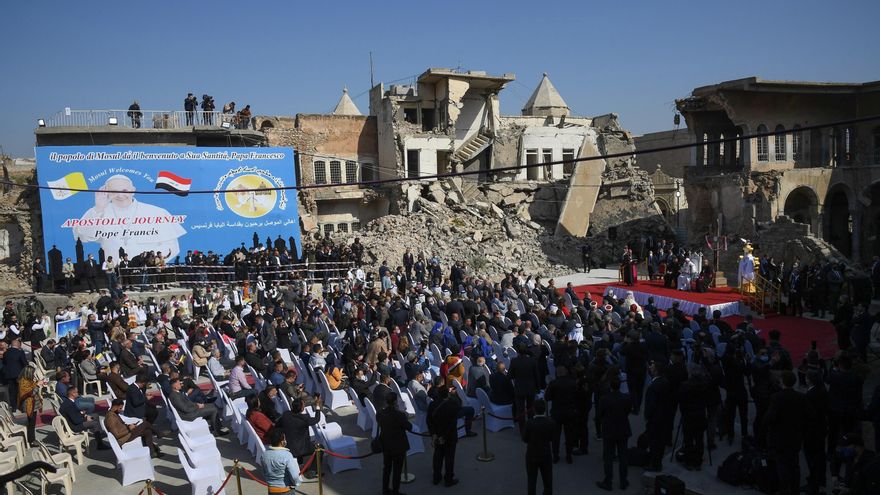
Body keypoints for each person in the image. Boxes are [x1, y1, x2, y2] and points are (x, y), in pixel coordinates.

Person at [72, 174, 186, 260]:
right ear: (106, 192)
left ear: (133, 190)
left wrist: (147, 261)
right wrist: (98, 209)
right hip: (115, 269)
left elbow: (172, 246)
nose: (120, 195)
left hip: (149, 269)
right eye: (114, 191)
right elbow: (83, 237)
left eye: (125, 190)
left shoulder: (157, 212)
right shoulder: (98, 212)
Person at [596, 376, 631, 491]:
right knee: (623, 456)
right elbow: (627, 411)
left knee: (608, 457)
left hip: (609, 430)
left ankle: (608, 481)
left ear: (610, 386)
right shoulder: (626, 398)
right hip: (622, 429)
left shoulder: (604, 399)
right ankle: (623, 481)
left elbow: (600, 414)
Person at [376, 393, 413, 495]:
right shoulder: (399, 415)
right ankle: (395, 492)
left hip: (386, 445)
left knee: (387, 468)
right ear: (395, 402)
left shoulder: (380, 414)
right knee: (397, 470)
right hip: (398, 446)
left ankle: (385, 490)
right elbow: (409, 427)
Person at [276, 397, 322, 478]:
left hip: (288, 446)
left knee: (298, 442)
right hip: (301, 448)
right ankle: (312, 471)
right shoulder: (305, 418)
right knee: (320, 448)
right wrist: (317, 406)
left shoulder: (286, 415)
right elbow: (316, 419)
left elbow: (277, 425)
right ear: (301, 408)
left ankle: (300, 463)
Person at [426, 385, 460, 487]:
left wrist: (434, 434)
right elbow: (452, 423)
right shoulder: (452, 404)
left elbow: (429, 421)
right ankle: (448, 479)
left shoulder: (432, 404)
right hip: (449, 436)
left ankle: (436, 477)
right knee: (449, 458)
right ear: (447, 394)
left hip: (437, 434)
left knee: (438, 456)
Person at [522, 398, 556, 495]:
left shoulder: (529, 423)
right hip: (546, 454)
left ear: (534, 409)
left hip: (532, 454)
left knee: (531, 481)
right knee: (548, 482)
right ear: (545, 409)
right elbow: (552, 438)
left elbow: (525, 439)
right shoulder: (551, 423)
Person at [544, 365, 576, 464]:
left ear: (557, 373)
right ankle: (569, 456)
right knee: (569, 435)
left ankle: (556, 456)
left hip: (557, 412)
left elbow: (547, 397)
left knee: (555, 436)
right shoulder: (572, 382)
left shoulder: (554, 383)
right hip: (569, 412)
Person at [509, 344, 540, 432]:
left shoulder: (514, 361)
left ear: (518, 351)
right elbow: (536, 376)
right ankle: (531, 427)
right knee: (530, 409)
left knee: (521, 410)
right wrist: (538, 388)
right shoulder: (532, 361)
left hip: (519, 388)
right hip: (530, 388)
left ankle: (522, 430)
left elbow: (510, 376)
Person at [262, 428, 302, 495]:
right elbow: (294, 476)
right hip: (286, 490)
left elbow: (264, 472)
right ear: (281, 441)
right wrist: (297, 483)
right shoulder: (287, 455)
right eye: (284, 439)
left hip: (272, 490)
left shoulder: (264, 455)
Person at [17, 365, 43, 444]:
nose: (34, 375)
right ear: (29, 373)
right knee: (31, 424)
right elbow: (30, 393)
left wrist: (38, 383)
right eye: (33, 373)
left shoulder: (28, 380)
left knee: (32, 423)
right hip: (29, 405)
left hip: (32, 405)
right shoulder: (24, 382)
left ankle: (32, 439)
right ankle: (31, 440)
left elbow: (32, 387)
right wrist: (37, 385)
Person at [3, 338, 28, 410]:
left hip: (9, 375)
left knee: (12, 391)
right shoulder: (20, 352)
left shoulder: (6, 353)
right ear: (18, 345)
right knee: (21, 390)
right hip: (19, 374)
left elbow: (4, 363)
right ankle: (22, 407)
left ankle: (14, 407)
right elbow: (24, 363)